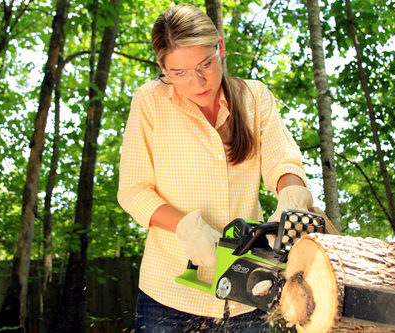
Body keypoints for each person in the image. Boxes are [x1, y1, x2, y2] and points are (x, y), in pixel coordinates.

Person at [117, 4, 315, 332]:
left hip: (249, 295)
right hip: (168, 294)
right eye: (178, 73)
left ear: (220, 47)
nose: (197, 81)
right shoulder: (150, 102)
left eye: (205, 64)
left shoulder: (254, 97)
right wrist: (186, 227)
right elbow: (134, 191)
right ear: (162, 68)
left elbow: (283, 162)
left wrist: (291, 195)